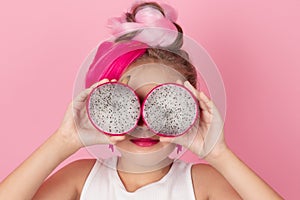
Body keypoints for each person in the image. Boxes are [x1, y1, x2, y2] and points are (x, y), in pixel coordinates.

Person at [0, 1, 283, 200]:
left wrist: (219, 155)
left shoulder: (201, 183)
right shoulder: (80, 179)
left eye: (164, 105)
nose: (143, 122)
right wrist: (64, 140)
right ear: (99, 107)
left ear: (192, 109)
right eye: (124, 104)